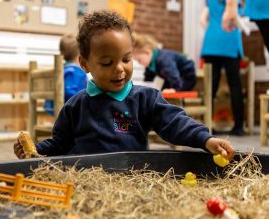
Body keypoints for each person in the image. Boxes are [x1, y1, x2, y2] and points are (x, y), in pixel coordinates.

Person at [14, 10, 234, 160]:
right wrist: (34, 151)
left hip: (131, 180)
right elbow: (59, 144)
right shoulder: (75, 106)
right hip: (85, 180)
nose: (119, 68)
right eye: (107, 63)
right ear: (85, 64)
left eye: (126, 60)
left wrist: (205, 139)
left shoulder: (145, 99)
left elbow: (175, 122)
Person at [200, 0, 245, 136]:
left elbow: (202, 20)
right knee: (235, 85)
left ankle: (207, 126)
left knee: (210, 87)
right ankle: (238, 127)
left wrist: (214, 30)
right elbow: (236, 18)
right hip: (230, 40)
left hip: (211, 43)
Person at [44, 34, 87, 115]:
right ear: (80, 54)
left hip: (52, 107)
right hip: (70, 111)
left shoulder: (61, 69)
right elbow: (70, 94)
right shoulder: (76, 71)